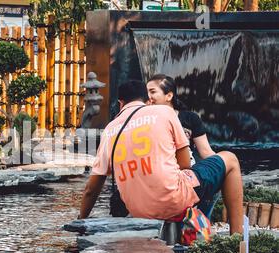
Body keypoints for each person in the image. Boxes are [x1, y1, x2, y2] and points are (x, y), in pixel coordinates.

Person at [79, 80, 243, 235]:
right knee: (230, 159)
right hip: (173, 200)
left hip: (137, 211)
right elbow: (185, 163)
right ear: (147, 100)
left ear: (120, 103)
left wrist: (81, 221)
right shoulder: (165, 112)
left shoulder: (110, 129)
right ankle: (237, 238)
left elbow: (91, 190)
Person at [146, 74, 217, 218]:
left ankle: (200, 220)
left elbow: (205, 151)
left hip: (186, 172)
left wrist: (220, 164)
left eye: (152, 92)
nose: (148, 96)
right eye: (146, 92)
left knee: (218, 176)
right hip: (157, 173)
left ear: (169, 95)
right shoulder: (145, 119)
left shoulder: (190, 118)